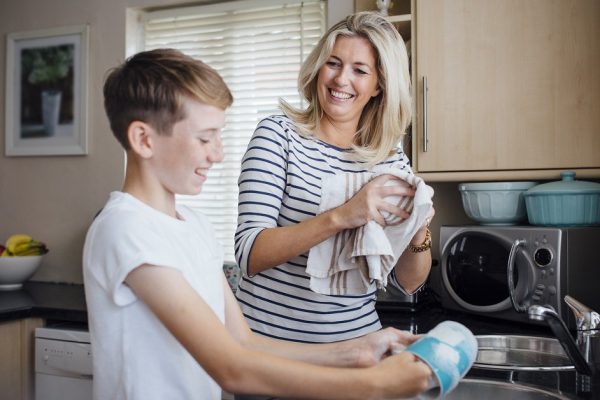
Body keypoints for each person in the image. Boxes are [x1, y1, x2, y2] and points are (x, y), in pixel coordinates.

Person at [83, 48, 431, 399]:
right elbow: (232, 368)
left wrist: (358, 352)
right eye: (205, 138)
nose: (218, 154)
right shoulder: (126, 229)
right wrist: (374, 385)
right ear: (144, 140)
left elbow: (242, 341)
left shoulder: (194, 225)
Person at [235, 11, 435, 343]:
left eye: (359, 70)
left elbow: (407, 283)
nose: (341, 80)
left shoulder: (390, 158)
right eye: (333, 63)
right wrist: (343, 216)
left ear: (378, 85)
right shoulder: (278, 135)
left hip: (357, 351)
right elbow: (249, 254)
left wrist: (419, 231)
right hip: (271, 355)